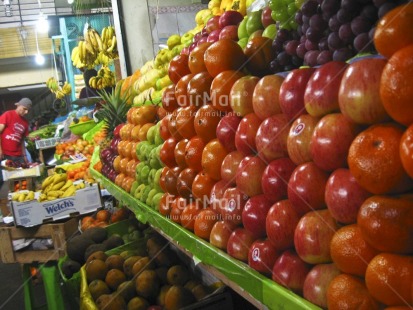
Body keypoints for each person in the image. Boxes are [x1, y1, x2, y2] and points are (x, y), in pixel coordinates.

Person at [0, 97, 32, 167]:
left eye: (28, 110)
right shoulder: (8, 115)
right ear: (18, 105)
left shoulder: (25, 122)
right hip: (5, 154)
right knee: (7, 176)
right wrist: (0, 150)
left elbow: (22, 141)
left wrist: (24, 156)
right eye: (24, 109)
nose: (26, 112)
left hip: (18, 156)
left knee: (22, 176)